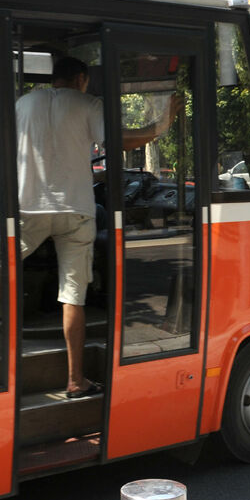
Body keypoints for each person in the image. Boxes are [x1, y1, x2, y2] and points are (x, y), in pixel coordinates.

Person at [16, 56, 181, 398]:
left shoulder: (23, 103)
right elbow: (119, 140)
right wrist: (160, 124)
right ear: (81, 79)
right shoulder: (89, 103)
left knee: (0, 272)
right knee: (73, 296)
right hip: (76, 211)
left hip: (28, 208)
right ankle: (76, 380)